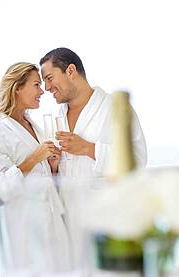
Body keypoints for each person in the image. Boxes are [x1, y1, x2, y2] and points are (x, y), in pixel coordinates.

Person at [0, 63, 70, 277]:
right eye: (36, 84)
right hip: (27, 232)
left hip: (53, 224)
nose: (42, 91)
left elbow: (41, 176)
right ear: (17, 87)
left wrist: (52, 166)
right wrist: (34, 158)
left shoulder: (32, 125)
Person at [39, 47, 147, 179]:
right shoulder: (56, 118)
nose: (46, 88)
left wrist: (88, 148)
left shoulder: (115, 108)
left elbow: (138, 160)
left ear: (71, 71)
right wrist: (54, 168)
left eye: (49, 78)